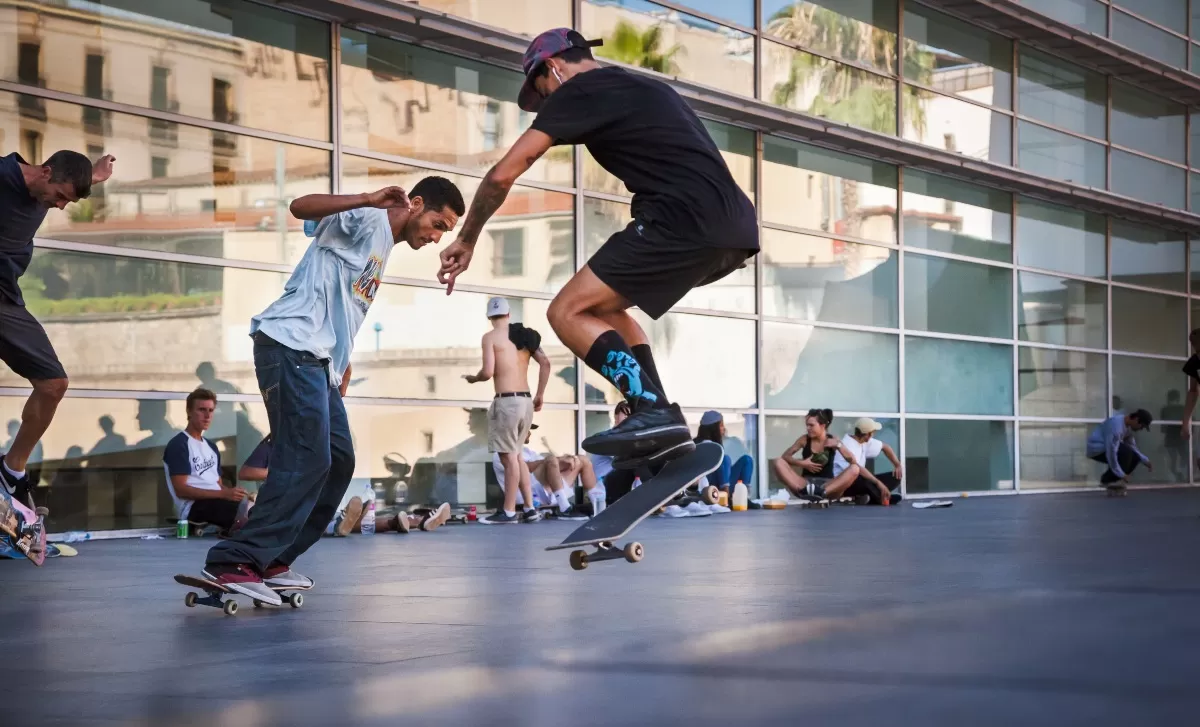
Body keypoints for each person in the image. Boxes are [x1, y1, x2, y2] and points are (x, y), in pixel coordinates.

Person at [437, 29, 759, 471]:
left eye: (543, 93)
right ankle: (661, 414)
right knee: (604, 310)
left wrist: (469, 237)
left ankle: (650, 410)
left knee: (565, 312)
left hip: (680, 218)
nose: (547, 105)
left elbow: (501, 176)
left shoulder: (582, 87)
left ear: (553, 67)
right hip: (733, 226)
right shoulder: (643, 86)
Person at [199, 176, 465, 605]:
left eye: (445, 233)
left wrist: (342, 362)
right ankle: (236, 559)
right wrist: (367, 197)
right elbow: (300, 206)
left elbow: (343, 306)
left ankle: (273, 558)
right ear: (415, 204)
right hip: (290, 344)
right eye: (438, 224)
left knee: (339, 460)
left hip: (320, 363)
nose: (436, 238)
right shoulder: (368, 218)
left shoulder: (382, 248)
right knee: (305, 456)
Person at [1, 150, 115, 518]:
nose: (61, 206)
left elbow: (73, 178)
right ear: (45, 172)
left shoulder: (49, 183)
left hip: (5, 303)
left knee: (53, 383)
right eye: (61, 197)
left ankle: (10, 469)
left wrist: (94, 176)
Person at [238, 431, 450, 536]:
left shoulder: (310, 445)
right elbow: (246, 472)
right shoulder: (273, 442)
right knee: (326, 521)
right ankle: (416, 520)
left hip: (307, 504)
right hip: (283, 506)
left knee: (345, 519)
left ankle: (409, 520)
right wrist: (285, 474)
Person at [465, 296, 551, 524]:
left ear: (489, 317)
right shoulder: (524, 336)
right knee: (518, 456)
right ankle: (530, 509)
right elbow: (546, 363)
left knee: (508, 458)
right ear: (508, 314)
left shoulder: (490, 338)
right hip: (526, 401)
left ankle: (509, 511)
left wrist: (473, 379)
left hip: (507, 402)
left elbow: (487, 372)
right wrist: (541, 393)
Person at [162, 389, 251, 533]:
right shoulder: (179, 445)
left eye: (211, 410)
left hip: (215, 502)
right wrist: (224, 494)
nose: (207, 416)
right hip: (193, 507)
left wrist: (232, 493)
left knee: (255, 505)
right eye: (201, 410)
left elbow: (217, 486)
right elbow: (181, 490)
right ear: (189, 412)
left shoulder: (211, 446)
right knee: (246, 514)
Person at [490, 424, 596, 520]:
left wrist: (570, 459)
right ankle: (565, 509)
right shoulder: (501, 455)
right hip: (528, 497)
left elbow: (551, 466)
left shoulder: (528, 451)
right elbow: (524, 469)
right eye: (527, 430)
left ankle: (596, 506)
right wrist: (559, 460)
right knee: (551, 460)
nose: (530, 433)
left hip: (548, 491)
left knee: (582, 460)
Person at [772, 409, 860, 501]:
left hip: (828, 486)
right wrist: (802, 463)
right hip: (805, 484)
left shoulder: (833, 439)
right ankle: (804, 492)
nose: (808, 428)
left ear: (822, 425)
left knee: (855, 468)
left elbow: (853, 461)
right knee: (778, 461)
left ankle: (821, 492)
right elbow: (785, 456)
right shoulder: (804, 439)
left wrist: (839, 445)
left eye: (811, 425)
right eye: (807, 425)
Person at [831, 418, 903, 506]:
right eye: (873, 432)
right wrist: (878, 483)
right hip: (846, 485)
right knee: (864, 480)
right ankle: (882, 497)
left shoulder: (864, 441)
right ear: (868, 435)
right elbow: (857, 470)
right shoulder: (847, 444)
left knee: (895, 478)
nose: (873, 435)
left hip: (861, 479)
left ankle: (870, 497)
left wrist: (897, 465)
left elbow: (886, 447)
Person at [1086, 409, 1154, 487]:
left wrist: (1145, 460)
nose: (1141, 429)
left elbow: (1133, 447)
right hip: (1096, 448)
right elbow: (1111, 453)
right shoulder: (1116, 427)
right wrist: (1120, 474)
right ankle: (1107, 480)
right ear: (1136, 419)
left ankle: (1116, 480)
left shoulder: (1128, 427)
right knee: (1126, 453)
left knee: (1135, 456)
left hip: (1107, 448)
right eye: (1141, 426)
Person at [694, 411, 753, 494]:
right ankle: (725, 496)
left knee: (747, 460)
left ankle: (744, 497)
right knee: (725, 459)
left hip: (721, 480)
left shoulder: (717, 444)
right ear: (713, 428)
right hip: (709, 487)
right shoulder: (700, 445)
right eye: (721, 425)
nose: (724, 428)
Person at [1161, 390, 1186, 482]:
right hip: (1179, 436)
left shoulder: (1165, 409)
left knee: (1174, 459)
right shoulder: (1182, 408)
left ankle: (1178, 474)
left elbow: (1163, 428)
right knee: (1183, 456)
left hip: (1173, 436)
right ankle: (1179, 473)